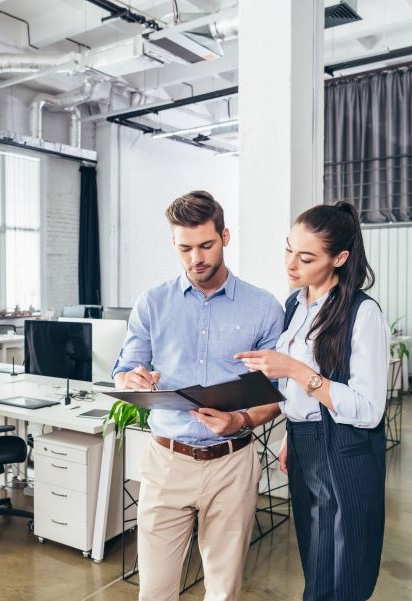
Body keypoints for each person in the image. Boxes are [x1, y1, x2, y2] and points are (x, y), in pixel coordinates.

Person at [112, 190, 284, 601]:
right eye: (185, 248)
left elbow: (279, 394)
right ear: (174, 244)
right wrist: (130, 380)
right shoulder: (152, 303)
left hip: (231, 463)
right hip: (166, 462)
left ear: (225, 236)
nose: (196, 258)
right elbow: (122, 371)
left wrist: (240, 419)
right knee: (155, 590)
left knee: (223, 591)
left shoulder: (264, 308)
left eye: (206, 245)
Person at [236, 201, 390, 601]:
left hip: (345, 448)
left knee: (343, 564)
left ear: (339, 258)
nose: (291, 264)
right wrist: (291, 432)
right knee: (316, 556)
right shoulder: (294, 305)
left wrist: (294, 370)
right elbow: (300, 396)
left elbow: (370, 410)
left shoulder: (362, 312)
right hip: (305, 440)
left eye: (306, 257)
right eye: (288, 249)